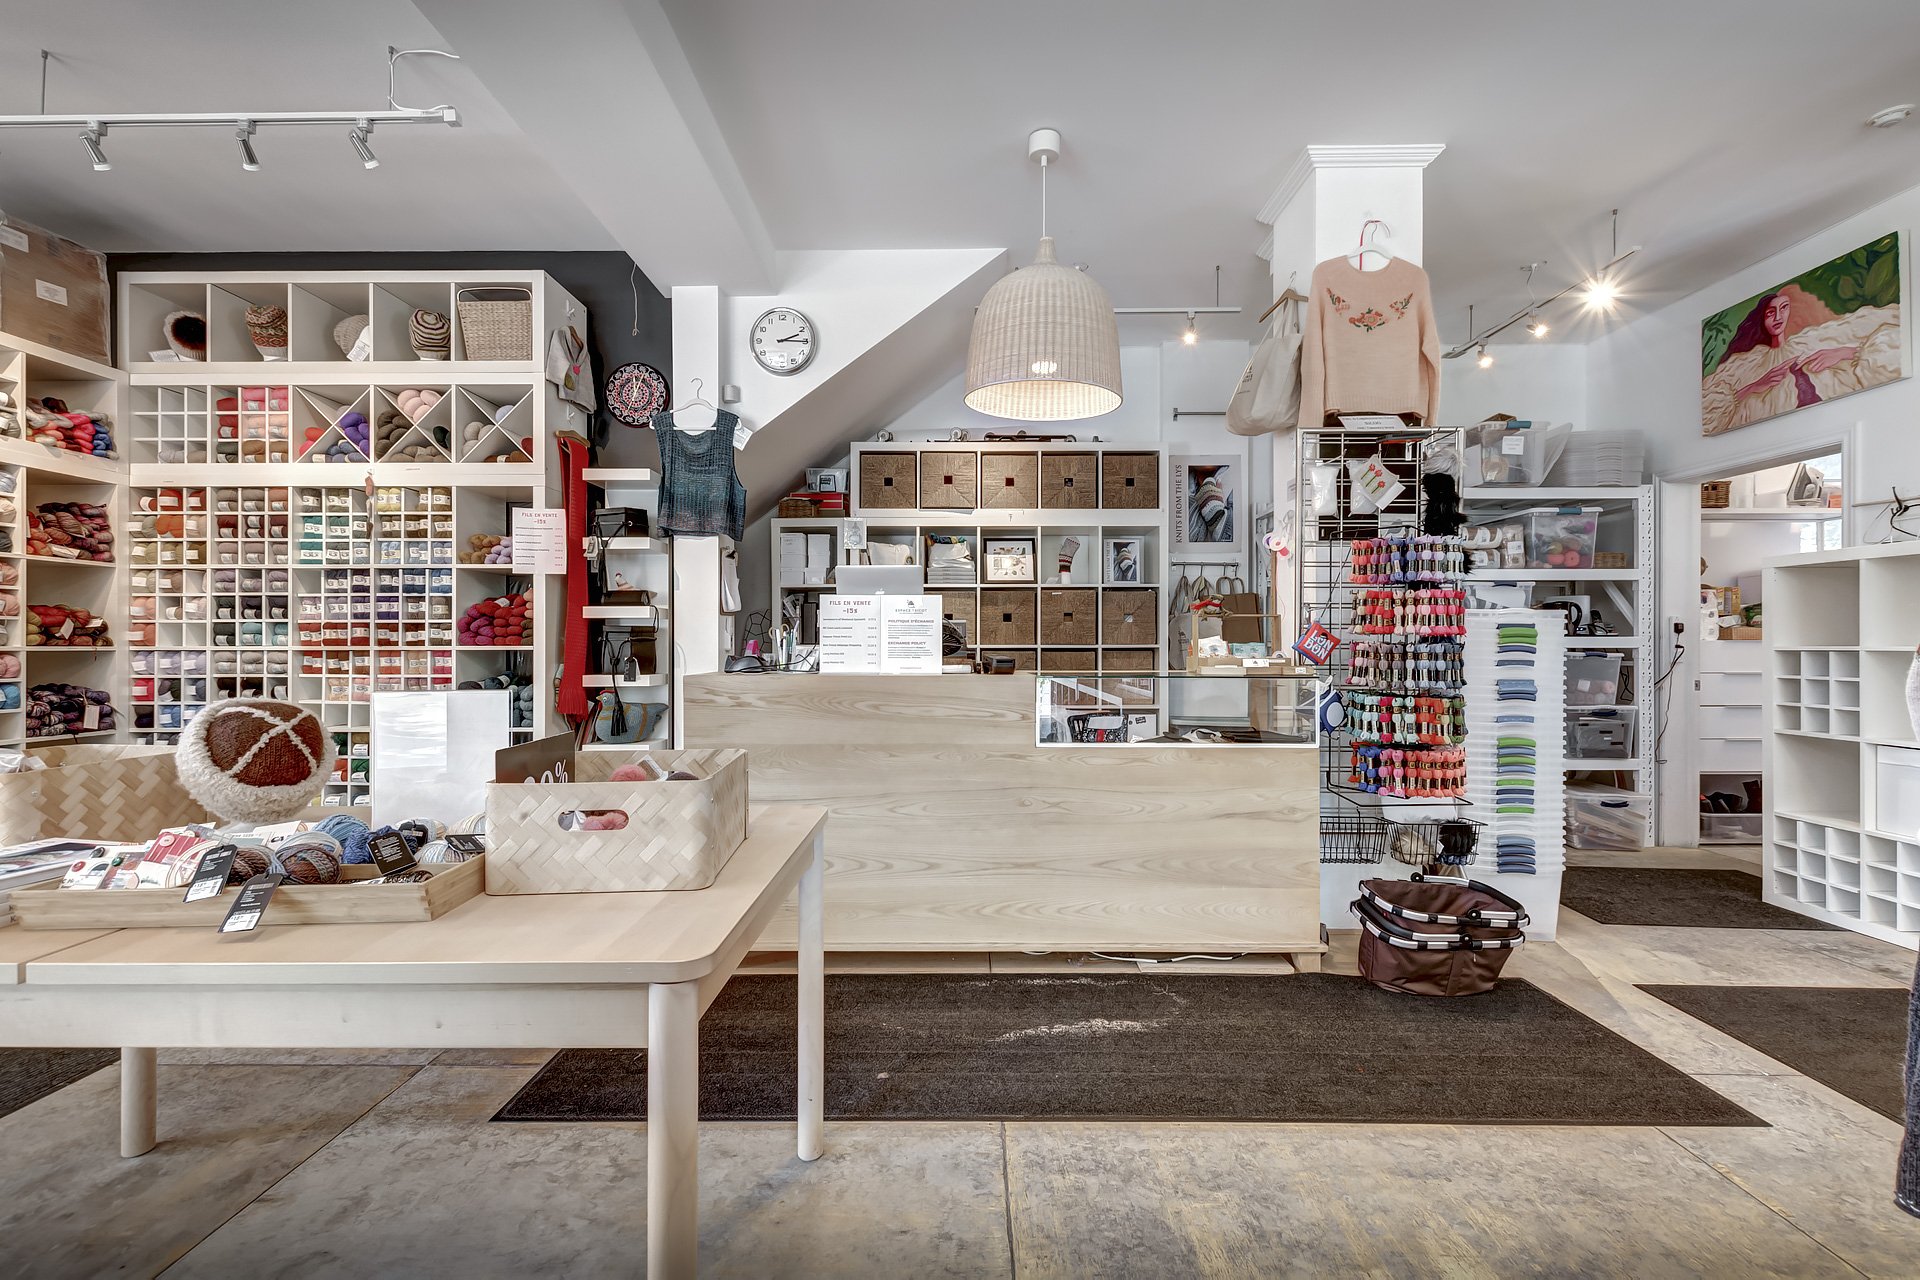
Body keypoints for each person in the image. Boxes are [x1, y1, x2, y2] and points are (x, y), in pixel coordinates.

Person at [1702, 286, 1901, 435]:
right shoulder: (1747, 363)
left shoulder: (1813, 339)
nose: (1778, 317)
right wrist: (1755, 386)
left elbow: (1892, 340)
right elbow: (1709, 413)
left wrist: (1845, 353)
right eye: (1770, 313)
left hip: (1841, 426)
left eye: (1784, 308)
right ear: (1762, 319)